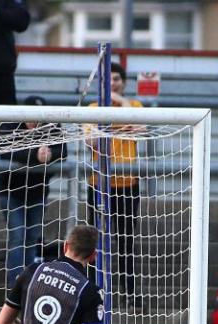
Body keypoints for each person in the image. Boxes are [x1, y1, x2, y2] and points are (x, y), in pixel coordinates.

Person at [85, 62, 144, 308]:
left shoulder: (135, 106)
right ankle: (90, 291)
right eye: (110, 80)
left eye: (118, 79)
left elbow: (141, 128)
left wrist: (121, 102)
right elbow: (91, 140)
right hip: (99, 184)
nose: (113, 83)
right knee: (93, 239)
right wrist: (113, 126)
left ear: (124, 82)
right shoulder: (92, 108)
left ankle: (130, 293)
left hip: (127, 183)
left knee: (126, 239)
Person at [0, 95, 68, 287]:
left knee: (32, 239)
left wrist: (50, 154)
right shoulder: (10, 125)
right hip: (11, 192)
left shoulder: (51, 126)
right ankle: (15, 288)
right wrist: (35, 155)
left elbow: (63, 151)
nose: (36, 120)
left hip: (38, 192)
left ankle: (28, 286)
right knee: (18, 236)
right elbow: (6, 151)